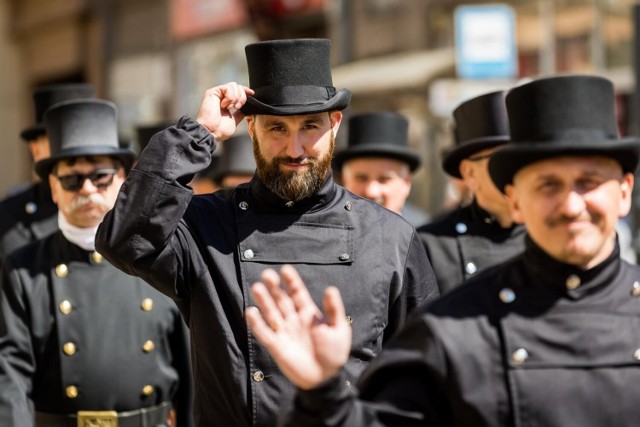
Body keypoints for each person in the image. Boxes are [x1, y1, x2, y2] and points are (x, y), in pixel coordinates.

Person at [246, 74, 640, 426]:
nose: (571, 206)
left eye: (588, 182)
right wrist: (323, 394)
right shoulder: (450, 329)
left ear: (624, 192)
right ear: (516, 200)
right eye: (548, 186)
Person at [95, 38, 439, 427]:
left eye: (310, 126)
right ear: (252, 128)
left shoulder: (390, 237)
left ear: (335, 125)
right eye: (277, 128)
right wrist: (199, 134)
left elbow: (422, 381)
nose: (295, 148)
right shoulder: (205, 225)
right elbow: (122, 240)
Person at [0, 99, 193, 426]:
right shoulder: (23, 268)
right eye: (72, 180)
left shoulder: (160, 257)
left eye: (100, 177)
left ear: (121, 179)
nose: (87, 189)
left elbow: (192, 365)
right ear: (53, 187)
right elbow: (10, 373)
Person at [417, 91, 526, 293]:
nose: (515, 169)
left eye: (523, 158)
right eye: (503, 158)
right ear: (469, 173)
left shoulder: (553, 233)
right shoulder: (431, 245)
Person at [0, 84, 95, 261]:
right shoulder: (8, 219)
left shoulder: (117, 214)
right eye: (59, 139)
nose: (73, 155)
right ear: (35, 150)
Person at [334, 111, 429, 227]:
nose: (372, 191)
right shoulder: (328, 234)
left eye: (384, 179)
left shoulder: (424, 238)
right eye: (361, 178)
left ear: (407, 183)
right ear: (345, 181)